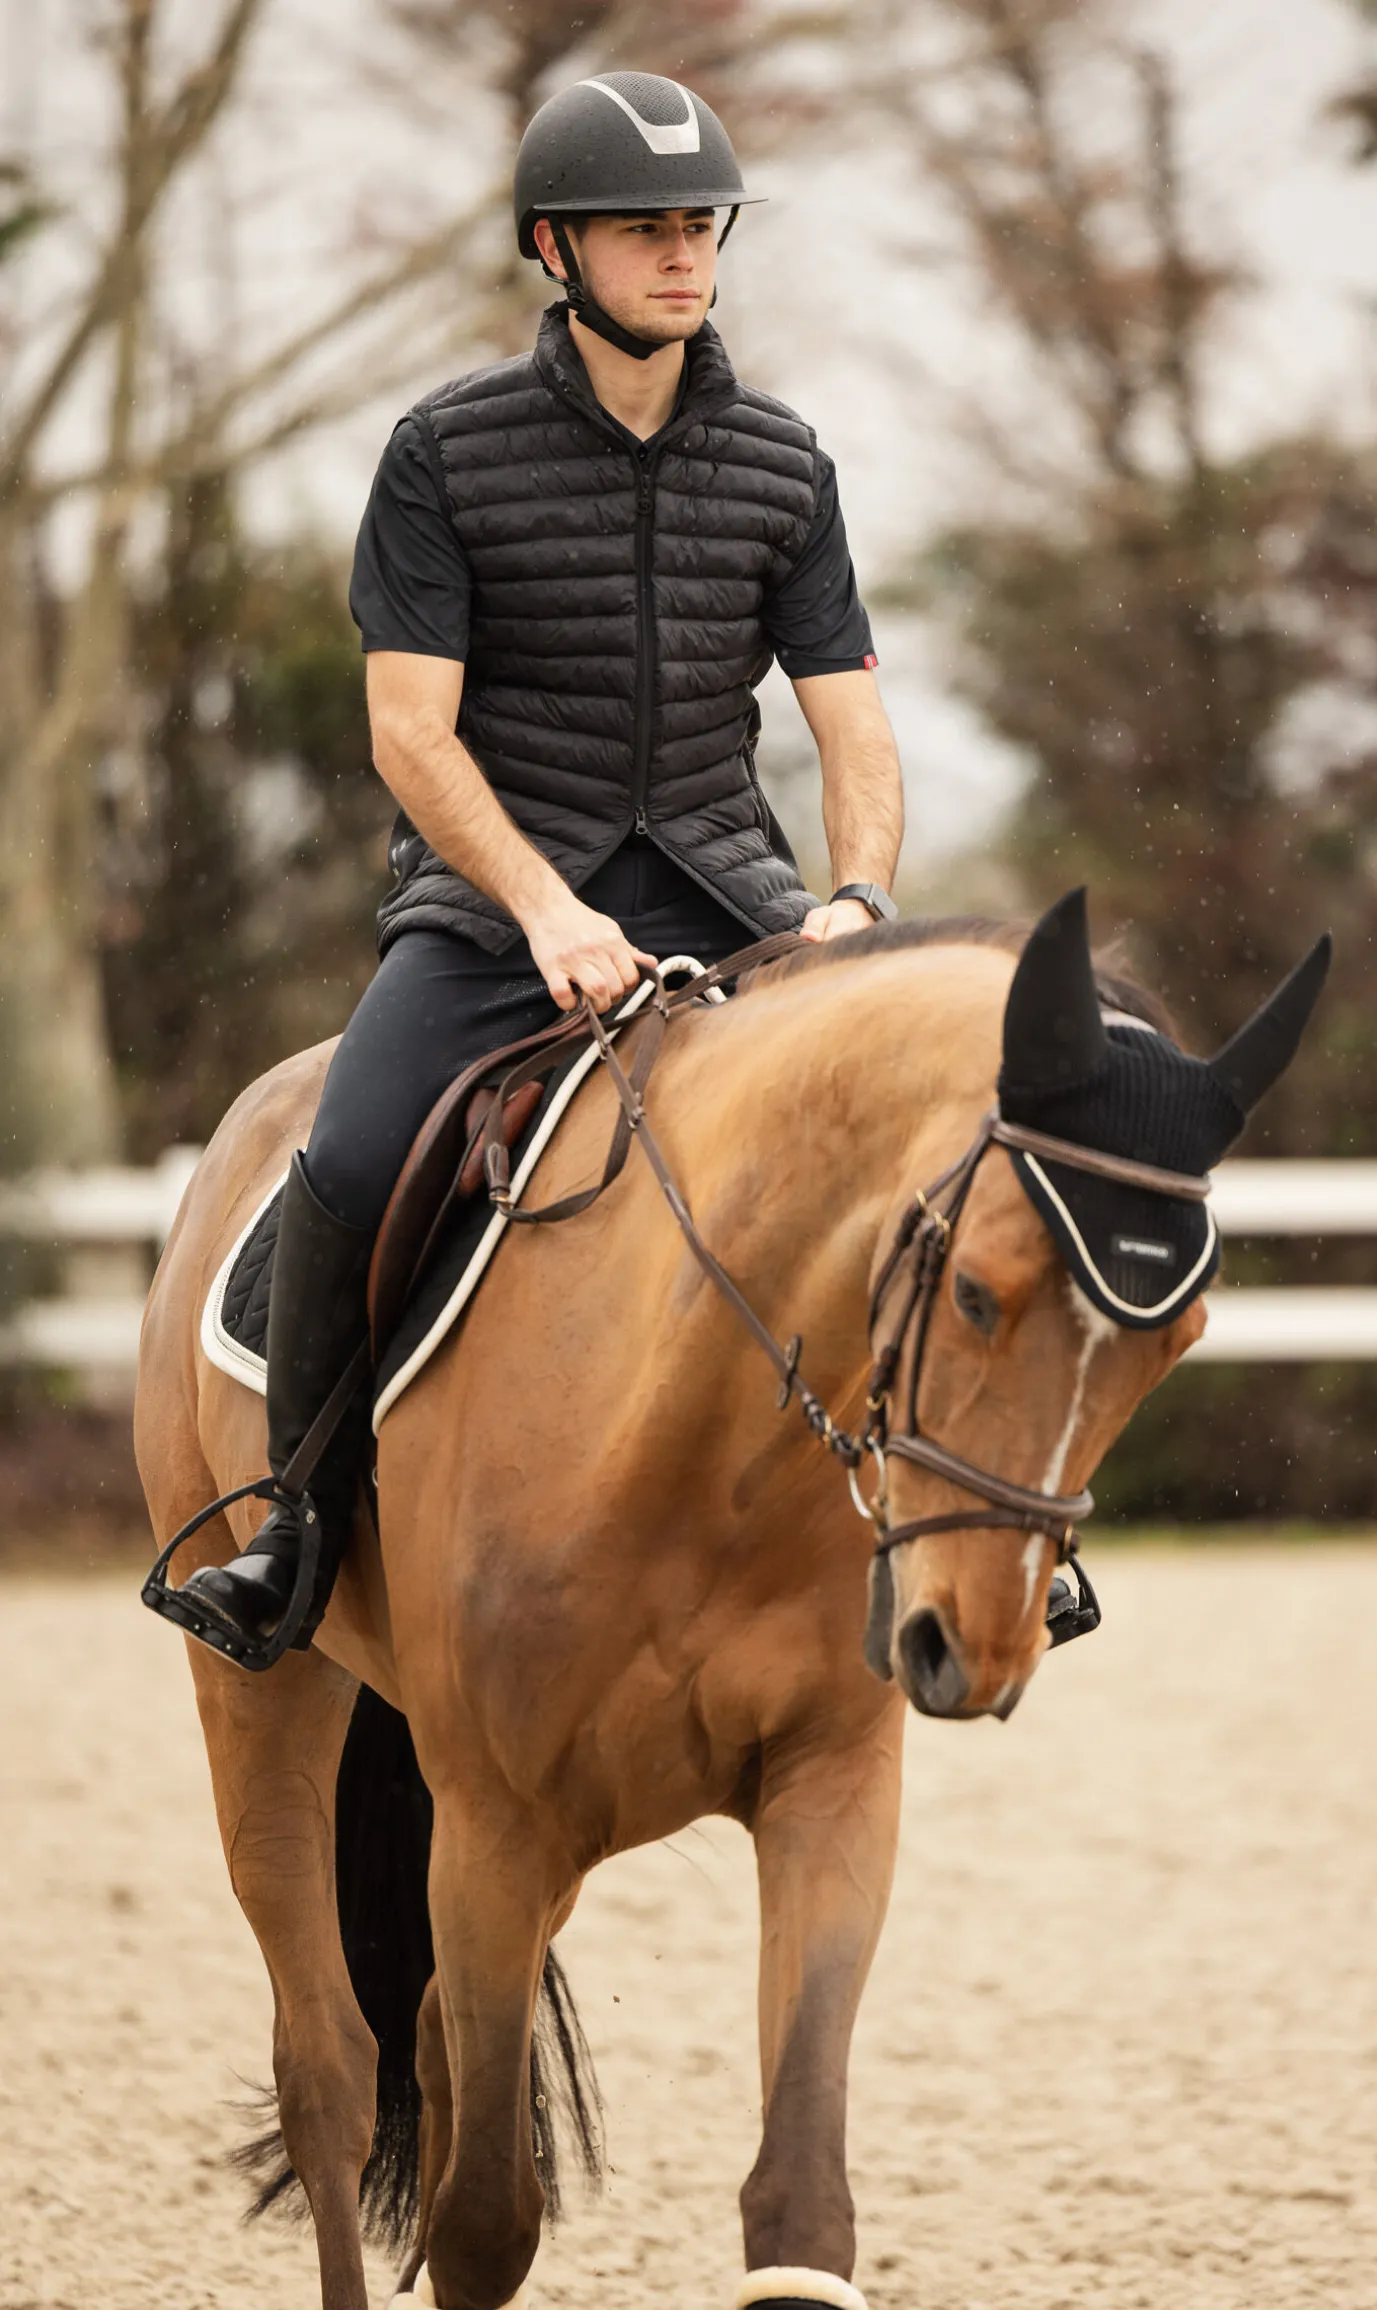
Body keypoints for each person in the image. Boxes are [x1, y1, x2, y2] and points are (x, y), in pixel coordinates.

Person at [169, 70, 905, 1667]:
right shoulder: (443, 454)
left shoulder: (785, 464)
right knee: (351, 1153)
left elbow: (853, 724)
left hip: (730, 896)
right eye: (647, 228)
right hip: (497, 908)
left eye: (701, 224)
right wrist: (545, 908)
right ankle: (296, 1525)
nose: (686, 253)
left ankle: (943, 1515)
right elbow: (409, 733)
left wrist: (855, 900)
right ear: (555, 248)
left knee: (913, 1144)